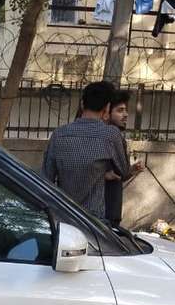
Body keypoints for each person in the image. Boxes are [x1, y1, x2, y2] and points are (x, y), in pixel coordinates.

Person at [41, 81, 129, 221]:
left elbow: (46, 179)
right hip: (93, 221)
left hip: (63, 217)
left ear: (82, 104)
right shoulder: (110, 135)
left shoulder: (59, 134)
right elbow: (123, 171)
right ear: (107, 107)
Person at [103, 90, 146, 227]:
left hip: (112, 207)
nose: (126, 114)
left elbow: (119, 174)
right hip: (105, 210)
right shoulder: (108, 136)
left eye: (126, 110)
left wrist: (131, 170)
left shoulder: (116, 137)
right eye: (120, 110)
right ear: (106, 112)